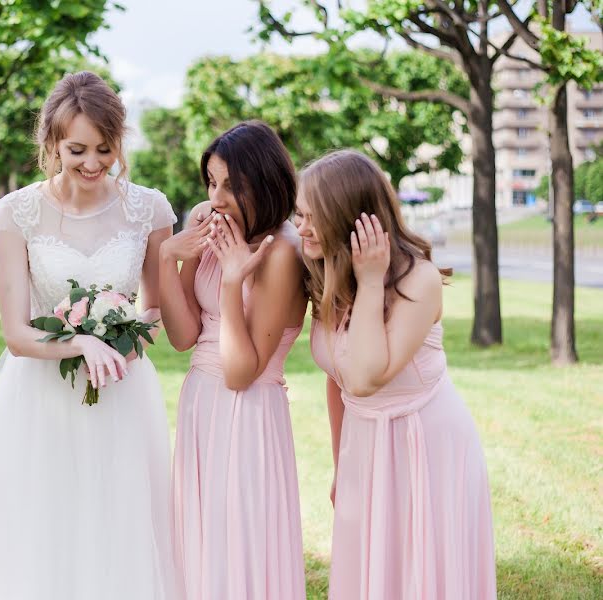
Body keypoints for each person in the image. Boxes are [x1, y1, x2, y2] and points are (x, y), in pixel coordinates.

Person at [0, 71, 178, 600]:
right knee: (44, 522)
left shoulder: (150, 209)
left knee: (118, 520)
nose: (93, 163)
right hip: (39, 395)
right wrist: (80, 343)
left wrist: (124, 341)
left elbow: (157, 305)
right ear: (51, 143)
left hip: (122, 390)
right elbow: (17, 333)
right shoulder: (16, 212)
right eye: (77, 149)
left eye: (105, 149)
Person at [297, 149, 496, 599]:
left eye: (312, 215)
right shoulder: (327, 273)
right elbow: (340, 380)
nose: (301, 227)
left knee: (421, 571)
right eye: (298, 213)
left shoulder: (417, 280)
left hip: (425, 444)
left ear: (350, 217)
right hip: (364, 444)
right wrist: (340, 465)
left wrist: (370, 282)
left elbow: (367, 376)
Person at [161, 121, 308, 600]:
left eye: (230, 185)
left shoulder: (283, 251)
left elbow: (243, 372)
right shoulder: (211, 223)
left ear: (263, 184)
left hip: (247, 416)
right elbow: (182, 336)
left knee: (238, 547)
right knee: (198, 545)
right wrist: (169, 258)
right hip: (200, 404)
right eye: (211, 181)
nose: (216, 197)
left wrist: (229, 280)